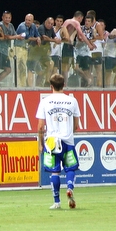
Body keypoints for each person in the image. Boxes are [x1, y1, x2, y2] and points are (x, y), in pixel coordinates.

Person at [36, 73, 81, 209]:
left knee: (54, 172)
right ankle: (70, 187)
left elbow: (40, 126)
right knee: (70, 168)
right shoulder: (72, 101)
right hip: (68, 141)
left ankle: (57, 202)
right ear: (64, 85)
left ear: (51, 86)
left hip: (52, 142)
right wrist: (69, 132)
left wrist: (40, 143)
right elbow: (76, 125)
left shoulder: (45, 101)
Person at [15, 13, 41, 87]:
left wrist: (38, 38)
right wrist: (36, 38)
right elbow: (28, 37)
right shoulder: (21, 26)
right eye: (26, 20)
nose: (27, 21)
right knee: (18, 68)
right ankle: (18, 85)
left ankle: (22, 85)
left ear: (32, 21)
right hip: (18, 48)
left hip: (25, 49)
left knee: (23, 68)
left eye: (29, 20)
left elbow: (37, 34)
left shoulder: (33, 26)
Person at [0, 11, 19, 85]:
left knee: (8, 70)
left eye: (9, 18)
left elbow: (15, 35)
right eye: (6, 17)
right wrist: (16, 36)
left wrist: (19, 36)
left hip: (6, 51)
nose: (7, 19)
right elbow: (5, 36)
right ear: (2, 18)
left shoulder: (11, 25)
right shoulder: (0, 25)